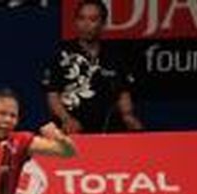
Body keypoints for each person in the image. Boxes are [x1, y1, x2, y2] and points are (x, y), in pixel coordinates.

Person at [42, 0, 144, 134]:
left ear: (103, 24)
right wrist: (66, 119)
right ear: (76, 22)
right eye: (81, 18)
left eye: (93, 19)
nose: (86, 24)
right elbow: (52, 94)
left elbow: (123, 91)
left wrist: (128, 116)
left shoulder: (114, 56)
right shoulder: (61, 55)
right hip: (72, 130)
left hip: (107, 129)